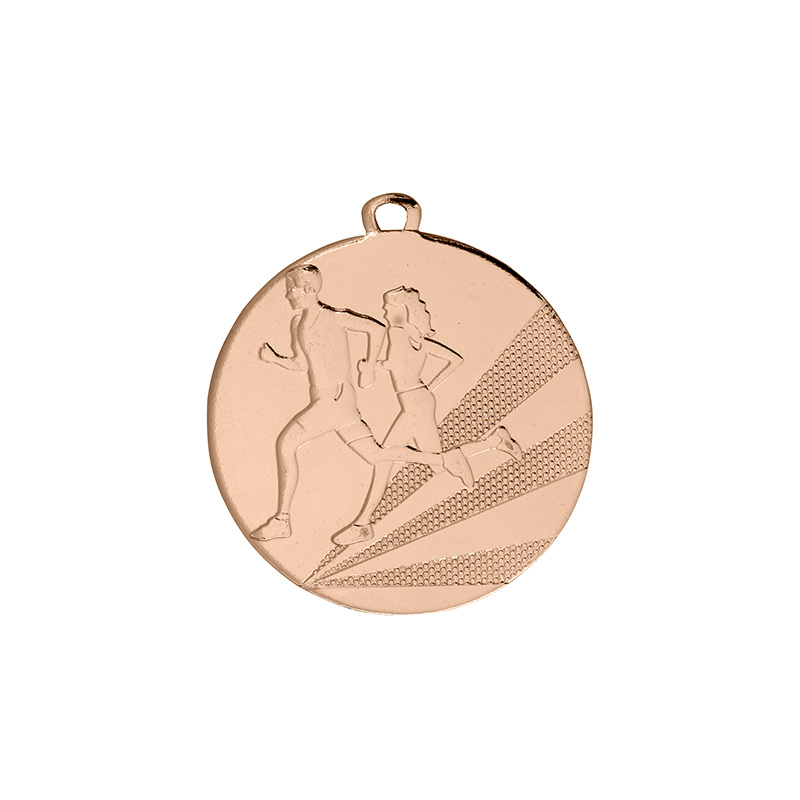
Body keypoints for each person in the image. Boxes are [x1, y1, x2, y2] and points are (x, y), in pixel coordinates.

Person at [251, 266, 475, 542]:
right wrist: (274, 359)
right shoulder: (297, 323)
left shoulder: (334, 318)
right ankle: (444, 459)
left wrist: (369, 366)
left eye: (291, 289)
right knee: (375, 455)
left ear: (308, 290)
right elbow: (300, 364)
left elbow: (375, 328)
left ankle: (282, 521)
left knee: (286, 444)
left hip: (334, 402)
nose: (287, 295)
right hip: (334, 404)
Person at [332, 286, 522, 546]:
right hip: (417, 400)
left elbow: (398, 364)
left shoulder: (397, 333)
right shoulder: (418, 340)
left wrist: (372, 366)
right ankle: (495, 442)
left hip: (415, 403)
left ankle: (363, 524)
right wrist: (427, 386)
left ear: (403, 310)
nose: (385, 311)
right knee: (406, 462)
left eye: (389, 307)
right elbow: (453, 361)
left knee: (400, 461)